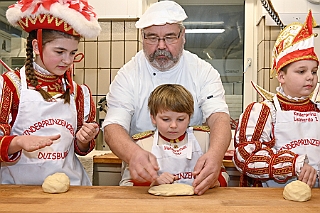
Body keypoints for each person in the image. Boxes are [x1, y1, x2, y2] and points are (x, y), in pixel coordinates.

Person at [102, 1, 231, 195]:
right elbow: (113, 126)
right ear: (142, 38)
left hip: (193, 183)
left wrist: (215, 155)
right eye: (152, 38)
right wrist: (134, 154)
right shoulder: (128, 74)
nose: (161, 46)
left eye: (169, 37)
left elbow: (219, 117)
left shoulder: (202, 71)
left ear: (183, 36)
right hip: (141, 182)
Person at [0, 0, 101, 185]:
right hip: (19, 190)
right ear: (37, 47)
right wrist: (18, 142)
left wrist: (84, 140)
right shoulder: (10, 86)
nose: (67, 60)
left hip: (71, 187)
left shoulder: (79, 93)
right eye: (60, 51)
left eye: (72, 53)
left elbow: (81, 149)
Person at [233, 10, 320, 188]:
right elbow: (244, 156)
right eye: (301, 71)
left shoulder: (317, 110)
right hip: (272, 198)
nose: (310, 77)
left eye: (314, 71)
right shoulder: (263, 111)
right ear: (281, 76)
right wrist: (292, 165)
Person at [120, 84, 229, 187]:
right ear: (153, 118)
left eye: (181, 119)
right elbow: (126, 183)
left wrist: (214, 182)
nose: (173, 125)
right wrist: (153, 182)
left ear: (189, 118)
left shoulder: (204, 139)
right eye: (166, 119)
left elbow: (223, 174)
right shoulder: (142, 145)